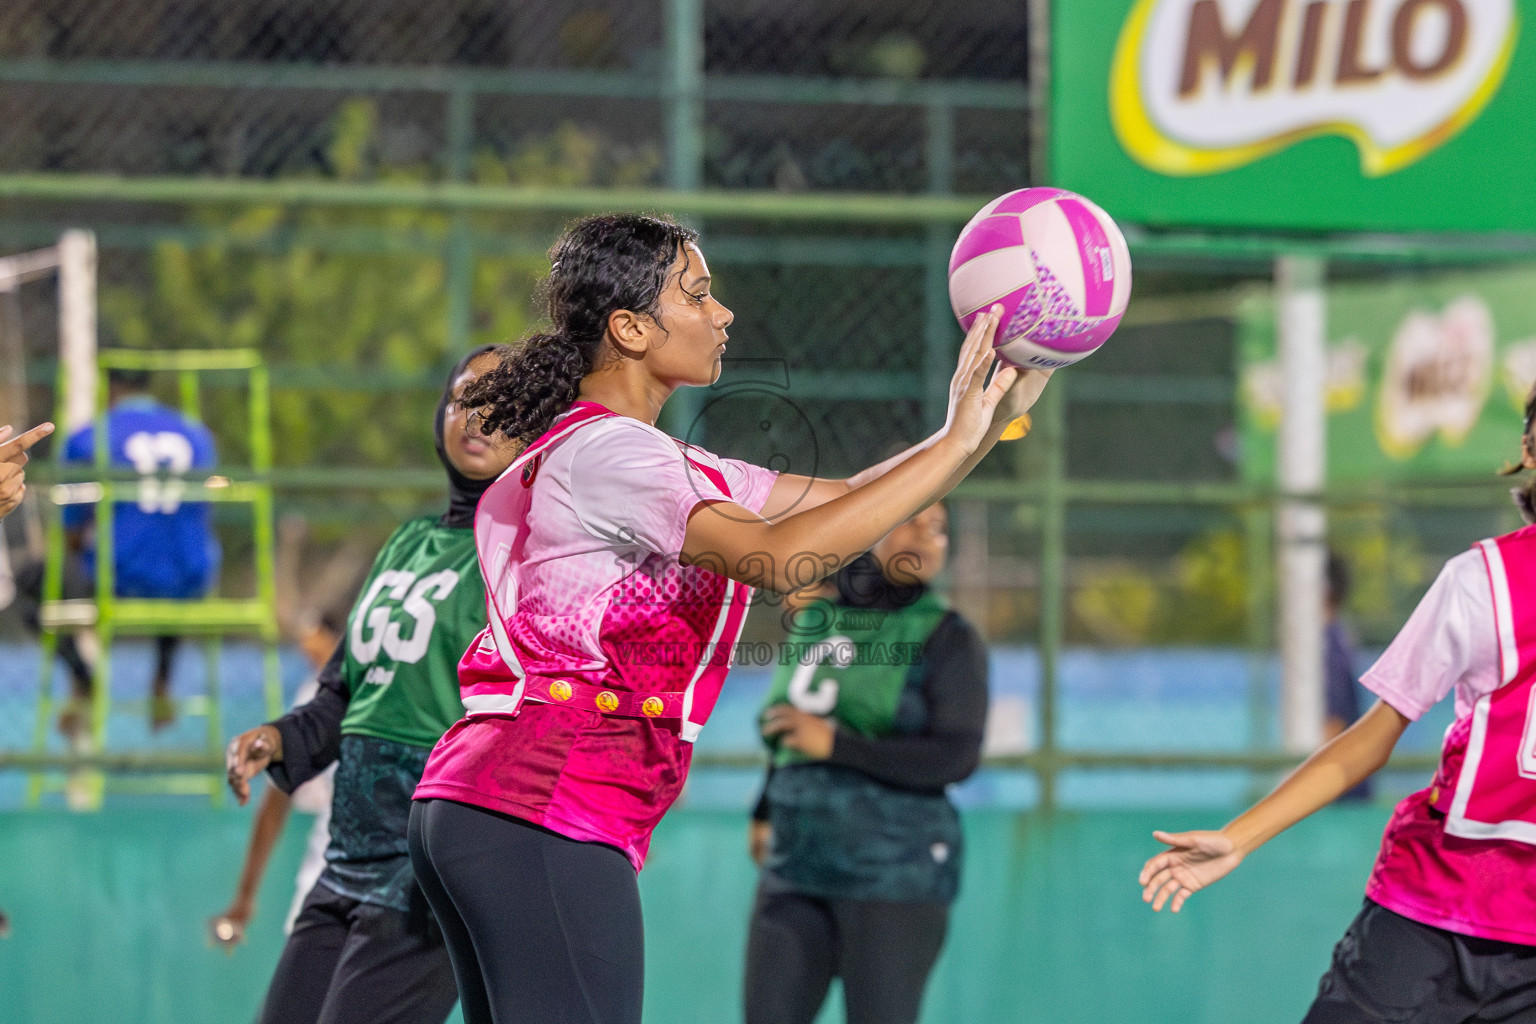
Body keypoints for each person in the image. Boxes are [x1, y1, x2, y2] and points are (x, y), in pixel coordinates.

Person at [406, 213, 1049, 1024]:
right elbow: (779, 558)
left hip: (499, 798)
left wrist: (984, 424)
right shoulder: (616, 455)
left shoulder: (634, 454)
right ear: (631, 328)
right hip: (543, 797)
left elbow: (855, 502)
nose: (724, 313)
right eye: (698, 294)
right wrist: (955, 443)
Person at [1139, 389, 1536, 1023]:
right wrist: (1238, 839)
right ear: (1529, 449)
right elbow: (1372, 737)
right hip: (1431, 917)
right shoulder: (1481, 582)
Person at [222, 346, 516, 1024]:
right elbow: (342, 693)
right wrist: (279, 737)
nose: (477, 418)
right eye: (463, 398)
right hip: (344, 863)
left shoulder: (525, 554)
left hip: (429, 875)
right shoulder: (406, 542)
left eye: (503, 406)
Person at [743, 501, 988, 1024]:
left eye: (939, 528)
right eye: (911, 518)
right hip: (797, 863)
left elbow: (957, 756)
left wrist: (837, 746)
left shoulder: (947, 635)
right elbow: (790, 726)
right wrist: (764, 808)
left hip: (894, 872)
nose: (925, 536)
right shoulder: (820, 616)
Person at [20, 368, 220, 735]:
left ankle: (83, 679)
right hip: (190, 576)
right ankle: (162, 680)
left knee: (30, 581)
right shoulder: (196, 435)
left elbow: (72, 528)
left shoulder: (92, 435)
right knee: (169, 567)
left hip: (119, 577)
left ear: (110, 389)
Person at [210, 613, 344, 950]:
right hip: (327, 877)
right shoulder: (313, 697)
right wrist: (245, 895)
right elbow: (276, 799)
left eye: (314, 634)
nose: (306, 646)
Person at [1323, 551, 1371, 802]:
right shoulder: (1335, 636)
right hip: (1345, 784)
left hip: (1341, 792)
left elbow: (1334, 722)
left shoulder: (1329, 643)